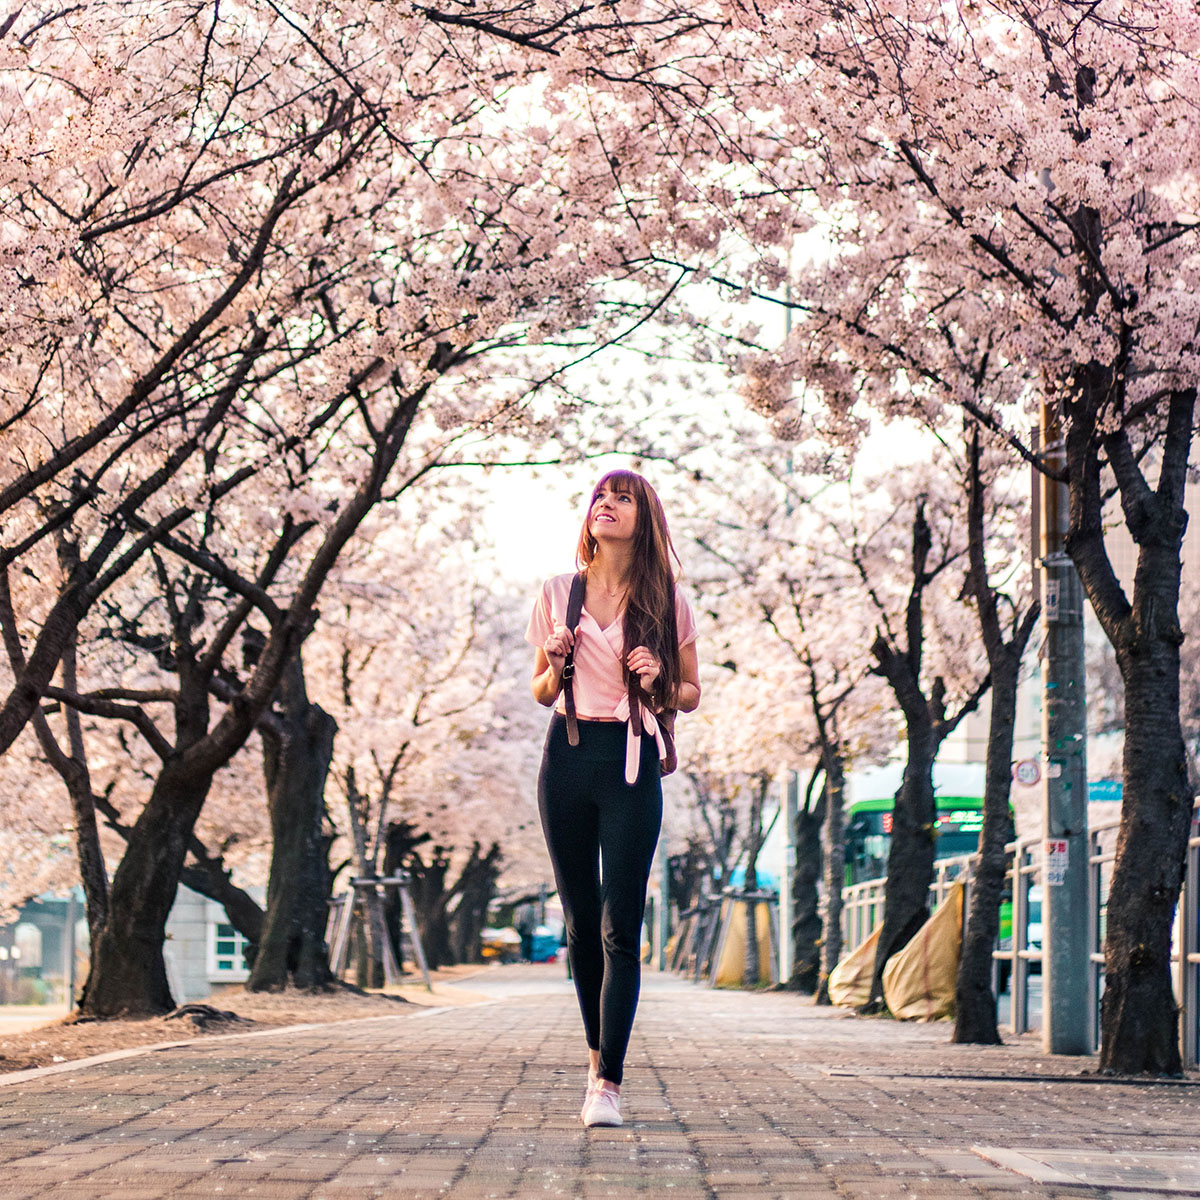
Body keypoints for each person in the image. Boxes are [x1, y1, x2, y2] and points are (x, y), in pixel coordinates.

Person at [526, 470, 701, 1129]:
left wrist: (660, 678)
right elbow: (542, 692)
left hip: (631, 761)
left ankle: (608, 1083)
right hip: (567, 758)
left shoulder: (665, 599)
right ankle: (596, 1051)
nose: (607, 505)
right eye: (601, 497)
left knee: (619, 923)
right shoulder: (556, 592)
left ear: (642, 518)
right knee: (578, 921)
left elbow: (690, 691)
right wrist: (554, 658)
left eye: (622, 498)